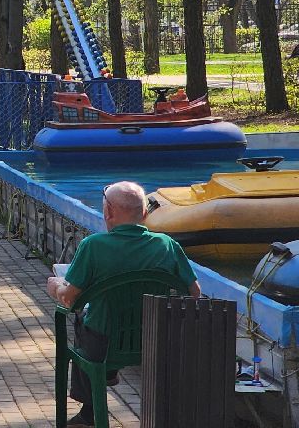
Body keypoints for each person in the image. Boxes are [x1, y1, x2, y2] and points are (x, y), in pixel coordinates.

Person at [46, 180, 201, 426]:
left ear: (108, 212)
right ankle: (98, 392)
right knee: (89, 318)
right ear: (144, 213)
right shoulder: (167, 245)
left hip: (104, 342)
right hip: (155, 338)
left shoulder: (93, 246)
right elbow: (194, 293)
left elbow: (69, 298)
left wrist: (55, 286)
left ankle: (91, 408)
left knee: (81, 318)